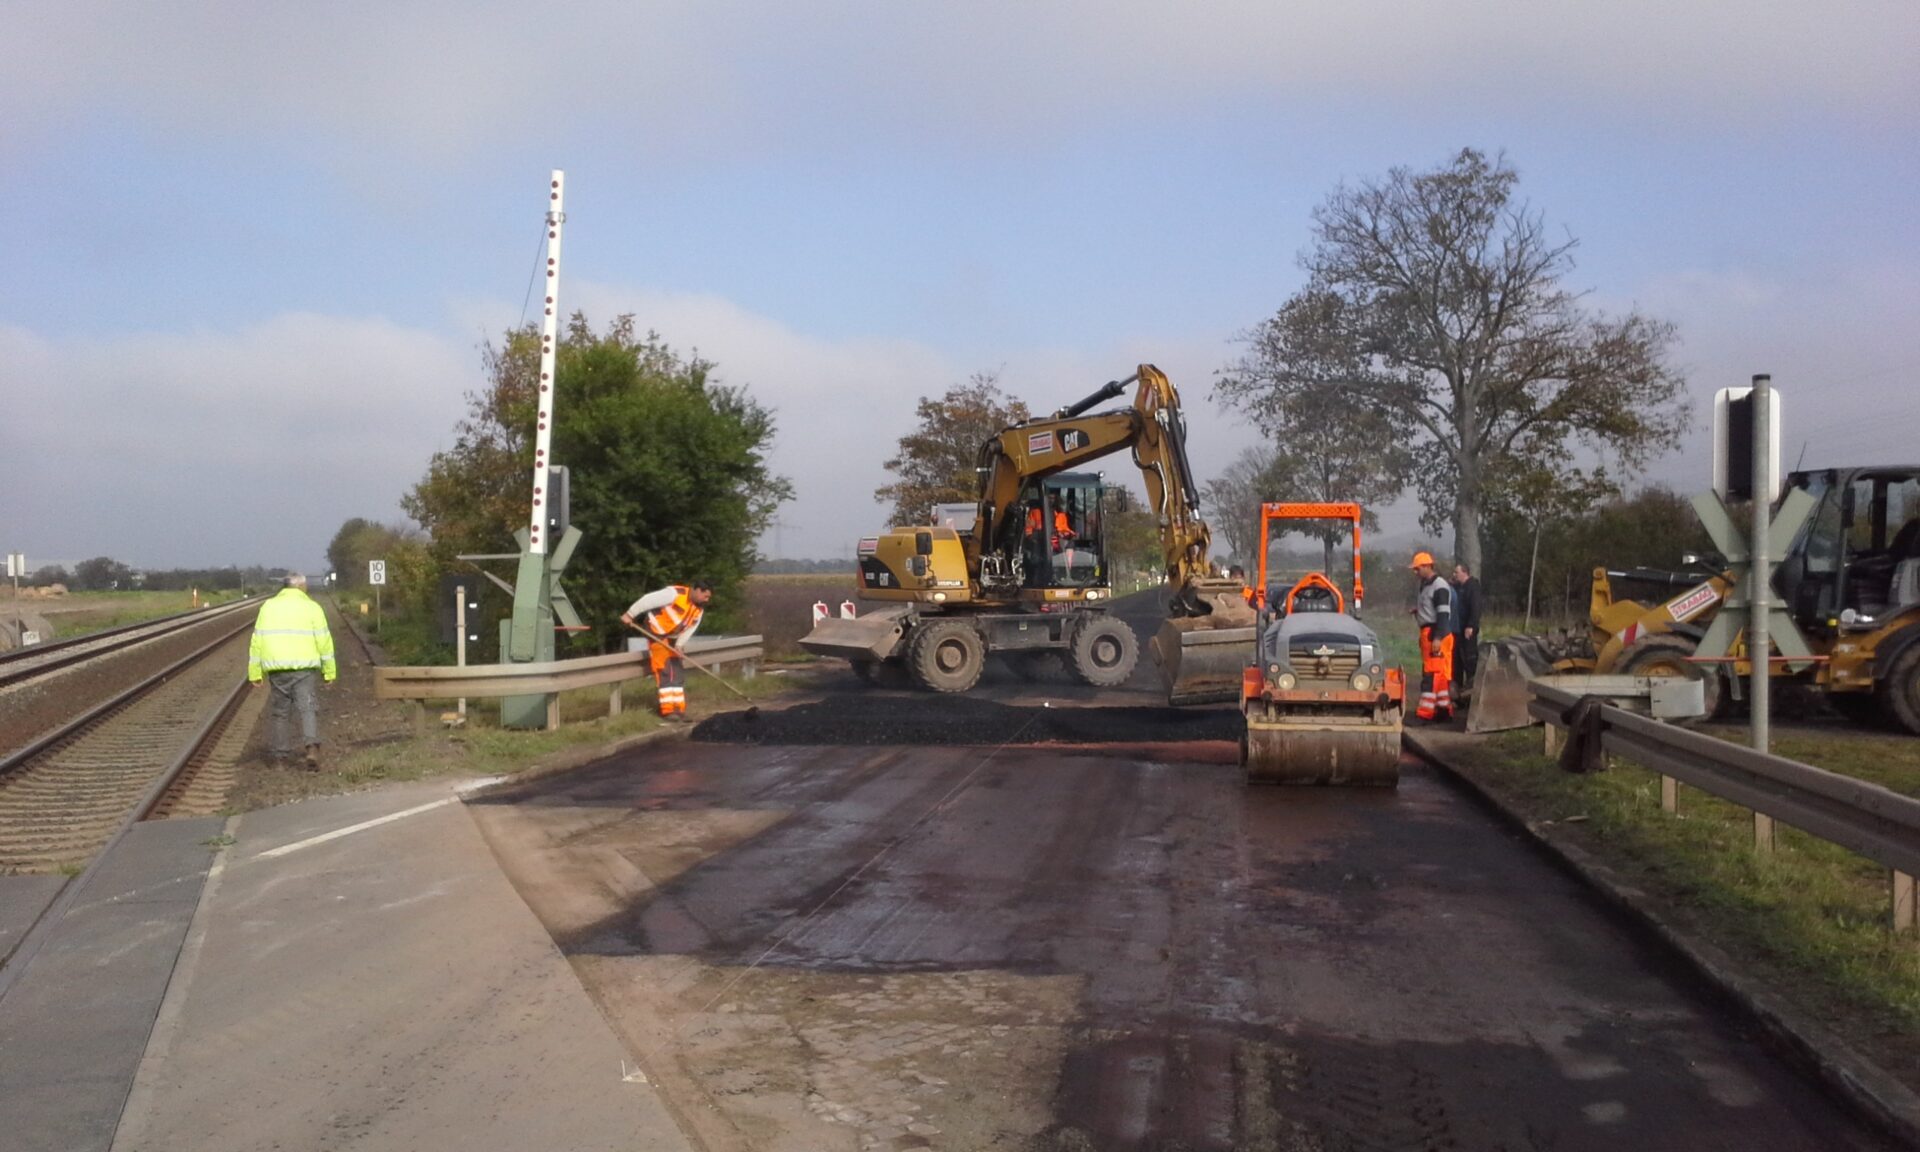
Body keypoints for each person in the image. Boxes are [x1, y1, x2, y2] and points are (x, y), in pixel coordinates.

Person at [248, 572, 337, 768]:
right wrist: (329, 672)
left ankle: (280, 757)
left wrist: (255, 672)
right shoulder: (312, 607)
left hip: (277, 670)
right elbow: (324, 641)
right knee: (308, 708)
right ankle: (311, 748)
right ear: (301, 587)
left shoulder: (268, 607)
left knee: (280, 712)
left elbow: (257, 641)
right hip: (304, 669)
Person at [621, 581, 713, 720]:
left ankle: (678, 709)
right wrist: (630, 614)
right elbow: (648, 600)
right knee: (665, 668)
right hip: (656, 632)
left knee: (676, 670)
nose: (706, 600)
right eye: (705, 596)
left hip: (672, 638)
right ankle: (668, 711)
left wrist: (680, 645)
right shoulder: (674, 594)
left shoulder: (698, 610)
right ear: (697, 590)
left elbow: (690, 629)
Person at [1409, 552, 1455, 723]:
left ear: (1428, 566)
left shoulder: (1439, 586)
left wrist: (1437, 638)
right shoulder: (1425, 584)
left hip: (1436, 633)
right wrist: (1419, 612)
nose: (1415, 572)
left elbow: (1443, 613)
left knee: (1431, 675)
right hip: (1431, 632)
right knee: (1440, 675)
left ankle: (1425, 713)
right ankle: (1444, 710)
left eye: (1417, 568)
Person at [1451, 562, 1483, 698]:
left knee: (1469, 659)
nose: (1454, 575)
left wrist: (1471, 625)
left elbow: (1476, 608)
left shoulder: (1473, 587)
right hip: (1458, 629)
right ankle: (1457, 692)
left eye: (1456, 572)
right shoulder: (1459, 587)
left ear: (1464, 572)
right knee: (1457, 660)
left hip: (1468, 630)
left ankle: (1471, 691)